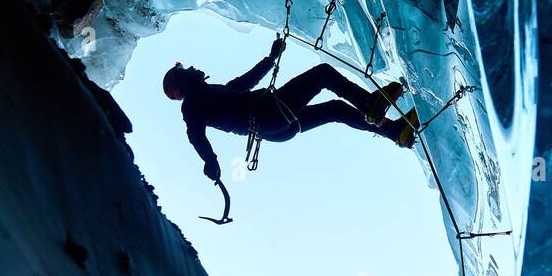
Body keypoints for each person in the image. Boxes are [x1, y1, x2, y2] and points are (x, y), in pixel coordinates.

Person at [162, 37, 418, 182]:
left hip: (273, 126)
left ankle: (396, 132)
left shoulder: (211, 93)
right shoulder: (192, 105)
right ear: (179, 84)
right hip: (268, 114)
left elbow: (244, 83)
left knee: (335, 109)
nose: (191, 68)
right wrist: (210, 160)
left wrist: (271, 58)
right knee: (323, 74)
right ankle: (368, 105)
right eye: (183, 70)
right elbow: (195, 135)